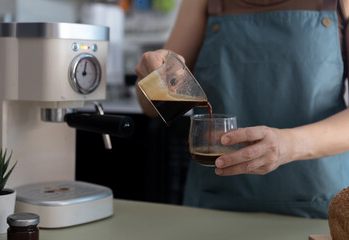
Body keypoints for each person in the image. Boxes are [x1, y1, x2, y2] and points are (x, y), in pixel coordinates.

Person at [135, 0, 349, 219]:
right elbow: (150, 108)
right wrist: (151, 76)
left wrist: (289, 144)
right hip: (215, 203)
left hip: (319, 207)